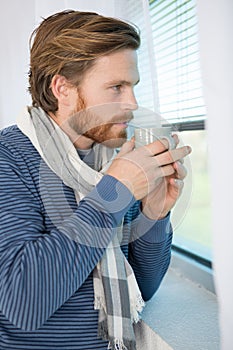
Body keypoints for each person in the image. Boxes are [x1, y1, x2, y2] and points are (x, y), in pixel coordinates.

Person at [0, 10, 191, 350]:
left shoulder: (114, 159)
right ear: (62, 88)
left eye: (132, 86)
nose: (132, 103)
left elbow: (141, 288)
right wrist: (113, 194)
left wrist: (154, 214)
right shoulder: (9, 159)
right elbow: (21, 304)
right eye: (116, 87)